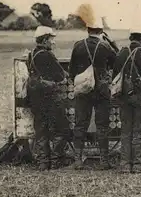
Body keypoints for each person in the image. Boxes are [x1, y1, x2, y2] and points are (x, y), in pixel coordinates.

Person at [67, 18, 118, 170]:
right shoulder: (105, 46)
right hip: (101, 90)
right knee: (102, 125)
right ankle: (104, 161)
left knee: (80, 124)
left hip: (83, 90)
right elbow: (116, 63)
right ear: (101, 31)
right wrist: (112, 43)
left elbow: (71, 71)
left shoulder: (78, 45)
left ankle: (77, 160)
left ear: (88, 30)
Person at [112, 28, 141, 173]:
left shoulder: (121, 53)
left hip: (124, 98)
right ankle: (139, 164)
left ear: (130, 37)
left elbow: (114, 76)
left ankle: (125, 164)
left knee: (126, 130)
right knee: (139, 131)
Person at [26, 26, 71, 170]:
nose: (53, 43)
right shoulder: (48, 55)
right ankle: (57, 160)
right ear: (45, 40)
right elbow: (60, 76)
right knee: (60, 128)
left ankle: (43, 162)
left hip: (35, 97)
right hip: (50, 97)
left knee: (41, 129)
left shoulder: (32, 54)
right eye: (52, 39)